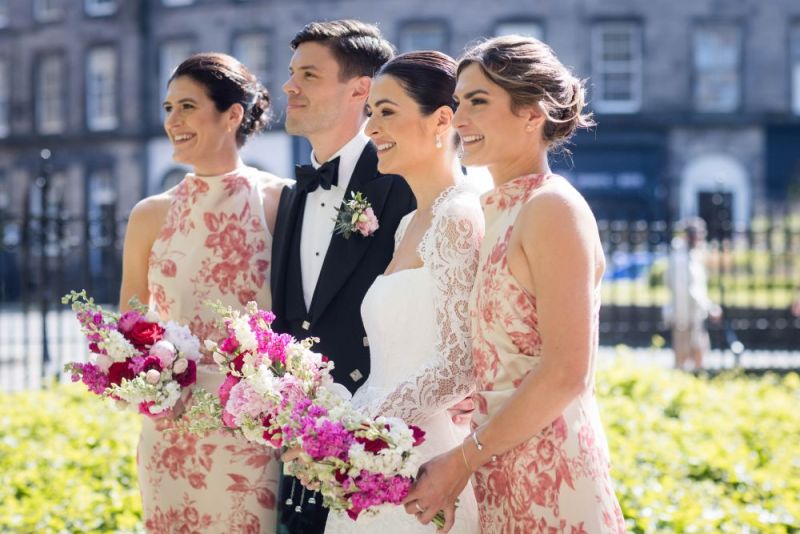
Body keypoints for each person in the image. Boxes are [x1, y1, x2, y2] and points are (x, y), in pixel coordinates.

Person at [403, 36, 626, 533]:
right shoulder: (493, 209)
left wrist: (461, 460)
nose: (459, 120)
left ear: (532, 113)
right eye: (458, 103)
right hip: (496, 462)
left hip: (552, 470)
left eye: (478, 102)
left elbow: (568, 372)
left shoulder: (553, 208)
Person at [310, 50, 481, 533]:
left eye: (387, 112)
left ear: (442, 120)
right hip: (379, 452)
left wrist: (366, 428)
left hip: (423, 456)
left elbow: (461, 363)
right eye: (370, 113)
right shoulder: (408, 222)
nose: (370, 129)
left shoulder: (460, 215)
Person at [119, 52, 289, 533]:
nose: (173, 120)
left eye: (188, 107)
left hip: (252, 425)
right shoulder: (150, 213)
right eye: (169, 108)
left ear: (232, 114)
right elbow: (129, 322)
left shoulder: (278, 201)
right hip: (171, 426)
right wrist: (150, 376)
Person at [269, 20, 416, 533]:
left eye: (309, 74)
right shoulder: (293, 192)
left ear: (362, 89)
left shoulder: (403, 182)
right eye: (291, 73)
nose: (289, 86)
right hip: (304, 456)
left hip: (381, 451)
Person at [665, 217, 722, 371]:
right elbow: (687, 289)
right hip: (684, 316)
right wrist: (710, 307)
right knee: (685, 356)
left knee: (698, 352)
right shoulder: (681, 257)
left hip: (694, 315)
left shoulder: (692, 254)